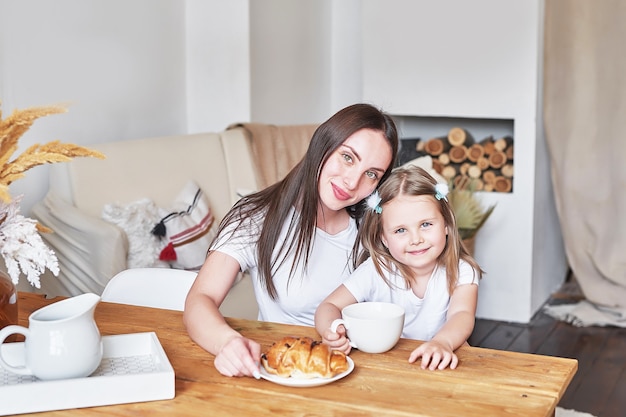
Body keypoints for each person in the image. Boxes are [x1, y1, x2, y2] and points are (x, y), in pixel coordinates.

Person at [184, 103, 399, 378]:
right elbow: (201, 298)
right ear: (323, 145)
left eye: (371, 174)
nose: (352, 182)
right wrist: (226, 342)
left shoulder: (375, 228)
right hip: (287, 374)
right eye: (347, 157)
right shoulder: (257, 217)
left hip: (369, 375)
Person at [315, 166, 482, 371]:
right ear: (384, 238)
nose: (416, 239)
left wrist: (443, 342)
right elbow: (329, 305)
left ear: (446, 224)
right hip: (390, 365)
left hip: (442, 364)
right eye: (401, 230)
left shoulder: (461, 270)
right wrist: (332, 330)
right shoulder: (377, 269)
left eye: (426, 225)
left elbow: (462, 314)